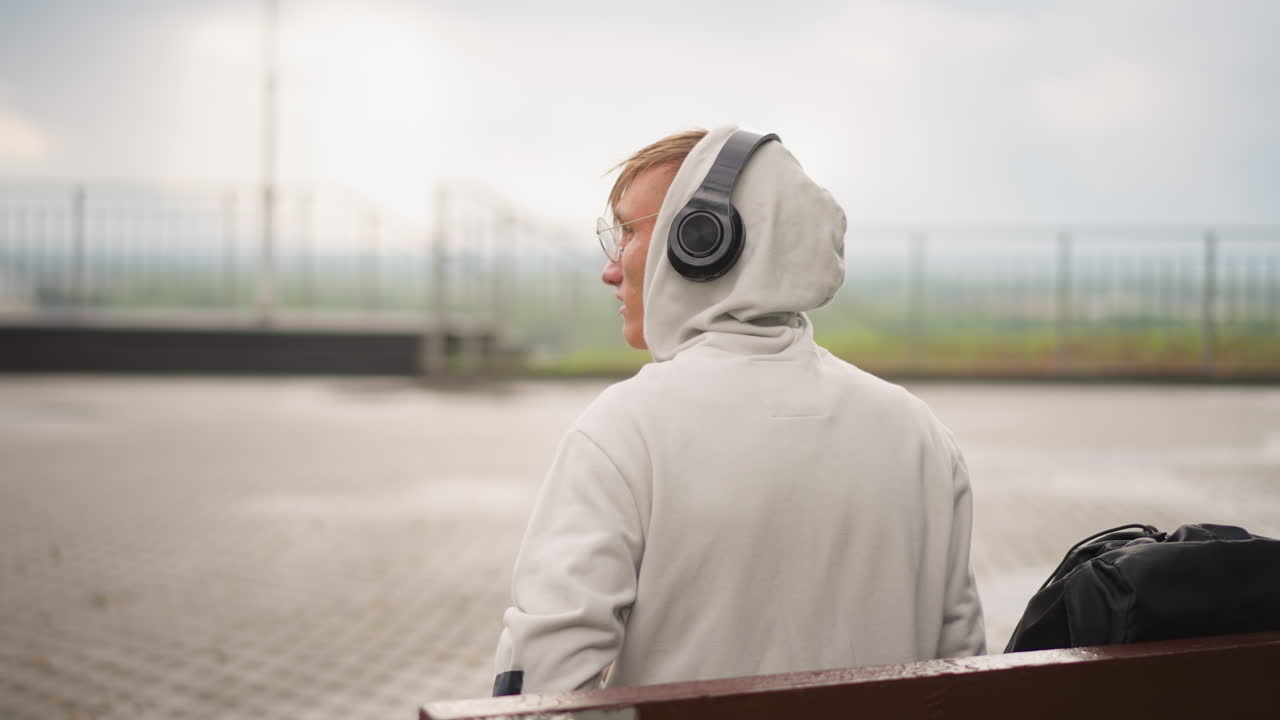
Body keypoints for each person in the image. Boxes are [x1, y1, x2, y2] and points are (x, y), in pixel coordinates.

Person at [492, 126, 985, 695]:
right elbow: (963, 673)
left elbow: (542, 684)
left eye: (627, 232)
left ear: (702, 241)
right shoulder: (920, 433)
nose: (609, 267)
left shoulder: (624, 430)